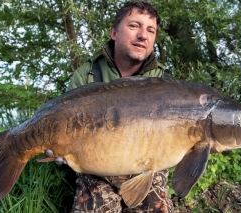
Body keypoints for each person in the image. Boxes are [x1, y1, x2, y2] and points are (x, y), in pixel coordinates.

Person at [67, 1, 174, 212]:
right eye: (134, 26)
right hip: (95, 167)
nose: (143, 35)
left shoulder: (164, 83)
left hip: (146, 167)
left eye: (150, 30)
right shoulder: (87, 74)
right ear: (114, 32)